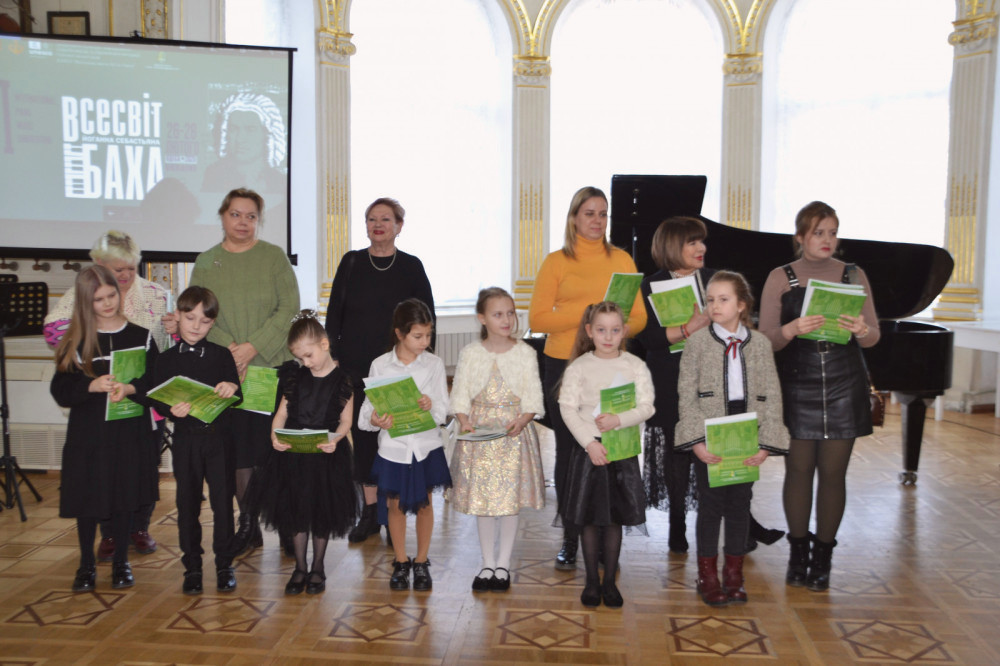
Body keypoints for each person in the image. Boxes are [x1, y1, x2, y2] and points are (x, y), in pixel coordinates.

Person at [759, 201, 880, 592]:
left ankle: (823, 556)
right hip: (797, 382)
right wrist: (791, 329)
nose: (827, 240)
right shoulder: (780, 276)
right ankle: (798, 553)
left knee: (833, 474)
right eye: (818, 233)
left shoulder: (853, 274)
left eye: (832, 232)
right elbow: (765, 340)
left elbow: (874, 336)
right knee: (798, 471)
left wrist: (862, 329)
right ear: (800, 237)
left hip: (844, 382)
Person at [528, 186, 647, 570]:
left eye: (603, 213)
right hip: (564, 364)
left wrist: (613, 329)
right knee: (571, 451)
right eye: (589, 213)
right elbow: (537, 319)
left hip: (612, 366)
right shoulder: (556, 261)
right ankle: (570, 535)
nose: (597, 220)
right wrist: (589, 314)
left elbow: (640, 318)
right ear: (574, 218)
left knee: (612, 449)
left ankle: (606, 536)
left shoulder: (622, 259)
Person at [177, 187, 300, 555]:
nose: (243, 222)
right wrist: (233, 352)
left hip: (272, 368)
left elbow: (289, 309)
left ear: (258, 220)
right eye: (236, 214)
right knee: (239, 454)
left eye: (251, 216)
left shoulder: (274, 257)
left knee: (277, 450)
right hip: (227, 373)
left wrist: (251, 347)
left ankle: (287, 525)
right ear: (222, 216)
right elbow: (199, 313)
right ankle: (248, 525)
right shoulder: (206, 261)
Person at [44, 230, 171, 560]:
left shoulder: (157, 294)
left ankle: (139, 527)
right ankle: (110, 534)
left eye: (131, 267)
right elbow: (53, 332)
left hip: (142, 402)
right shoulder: (81, 294)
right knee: (101, 474)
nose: (126, 275)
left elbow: (164, 352)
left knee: (141, 468)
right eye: (118, 269)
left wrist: (175, 330)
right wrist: (86, 347)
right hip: (98, 407)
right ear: (100, 265)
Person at [324, 197, 435, 545]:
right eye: (372, 219)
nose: (378, 225)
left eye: (385, 219)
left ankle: (393, 514)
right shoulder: (352, 262)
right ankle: (370, 513)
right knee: (365, 439)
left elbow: (426, 316)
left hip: (398, 368)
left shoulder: (411, 267)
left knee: (395, 438)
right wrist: (333, 357)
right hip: (356, 367)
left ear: (399, 226)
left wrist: (422, 363)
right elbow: (334, 313)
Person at [675, 271, 789, 606]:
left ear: (741, 305)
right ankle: (707, 576)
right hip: (710, 430)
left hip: (747, 430)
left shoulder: (761, 344)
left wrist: (765, 442)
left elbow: (772, 394)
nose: (715, 306)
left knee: (740, 504)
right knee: (711, 505)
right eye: (710, 300)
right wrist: (697, 440)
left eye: (723, 299)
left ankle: (734, 575)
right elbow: (686, 394)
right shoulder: (696, 343)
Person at [250, 311, 360, 595]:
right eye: (300, 358)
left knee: (322, 512)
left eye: (309, 356)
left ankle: (318, 567)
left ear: (324, 344)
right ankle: (300, 567)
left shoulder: (343, 381)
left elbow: (346, 421)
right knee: (296, 511)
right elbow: (281, 414)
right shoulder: (295, 377)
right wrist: (274, 435)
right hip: (294, 455)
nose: (306, 363)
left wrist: (336, 439)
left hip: (326, 454)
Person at [558, 301, 654, 609]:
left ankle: (610, 581)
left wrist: (618, 420)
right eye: (601, 330)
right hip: (589, 450)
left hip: (620, 450)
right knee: (588, 518)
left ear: (624, 331)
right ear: (590, 331)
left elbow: (647, 406)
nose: (608, 337)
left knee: (614, 518)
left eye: (614, 330)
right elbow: (567, 409)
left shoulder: (634, 366)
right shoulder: (579, 367)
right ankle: (591, 581)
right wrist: (589, 443)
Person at [147, 286, 242, 595]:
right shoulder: (165, 359)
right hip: (186, 441)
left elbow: (237, 393)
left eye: (205, 321)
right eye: (190, 319)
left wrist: (230, 388)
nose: (196, 326)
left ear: (213, 323)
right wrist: (169, 409)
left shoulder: (222, 354)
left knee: (223, 504)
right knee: (187, 504)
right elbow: (157, 399)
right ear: (178, 316)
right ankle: (193, 567)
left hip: (220, 440)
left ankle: (225, 564)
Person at [450, 288, 545, 593]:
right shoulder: (471, 353)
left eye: (510, 313)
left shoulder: (525, 353)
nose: (506, 320)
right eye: (498, 314)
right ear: (482, 318)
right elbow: (460, 394)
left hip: (512, 434)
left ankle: (503, 564)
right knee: (484, 500)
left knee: (508, 501)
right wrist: (465, 420)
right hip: (480, 435)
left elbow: (533, 396)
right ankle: (487, 563)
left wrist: (523, 419)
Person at [359, 299, 450, 592]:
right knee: (395, 505)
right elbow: (366, 412)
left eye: (428, 335)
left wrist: (430, 404)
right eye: (418, 336)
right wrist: (375, 419)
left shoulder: (434, 364)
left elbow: (443, 411)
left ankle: (421, 561)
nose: (425, 342)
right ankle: (400, 561)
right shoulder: (380, 365)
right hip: (394, 448)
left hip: (425, 447)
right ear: (399, 333)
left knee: (425, 505)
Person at [635, 217, 712, 554]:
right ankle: (677, 525)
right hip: (669, 378)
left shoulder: (714, 280)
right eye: (692, 242)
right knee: (677, 454)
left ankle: (729, 522)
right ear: (671, 247)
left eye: (702, 241)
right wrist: (687, 329)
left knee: (715, 452)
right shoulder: (650, 286)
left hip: (711, 378)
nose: (701, 248)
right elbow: (647, 339)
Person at [201, 92, 287, 193]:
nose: (240, 139)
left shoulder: (279, 181)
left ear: (267, 134)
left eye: (250, 129)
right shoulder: (213, 176)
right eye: (234, 129)